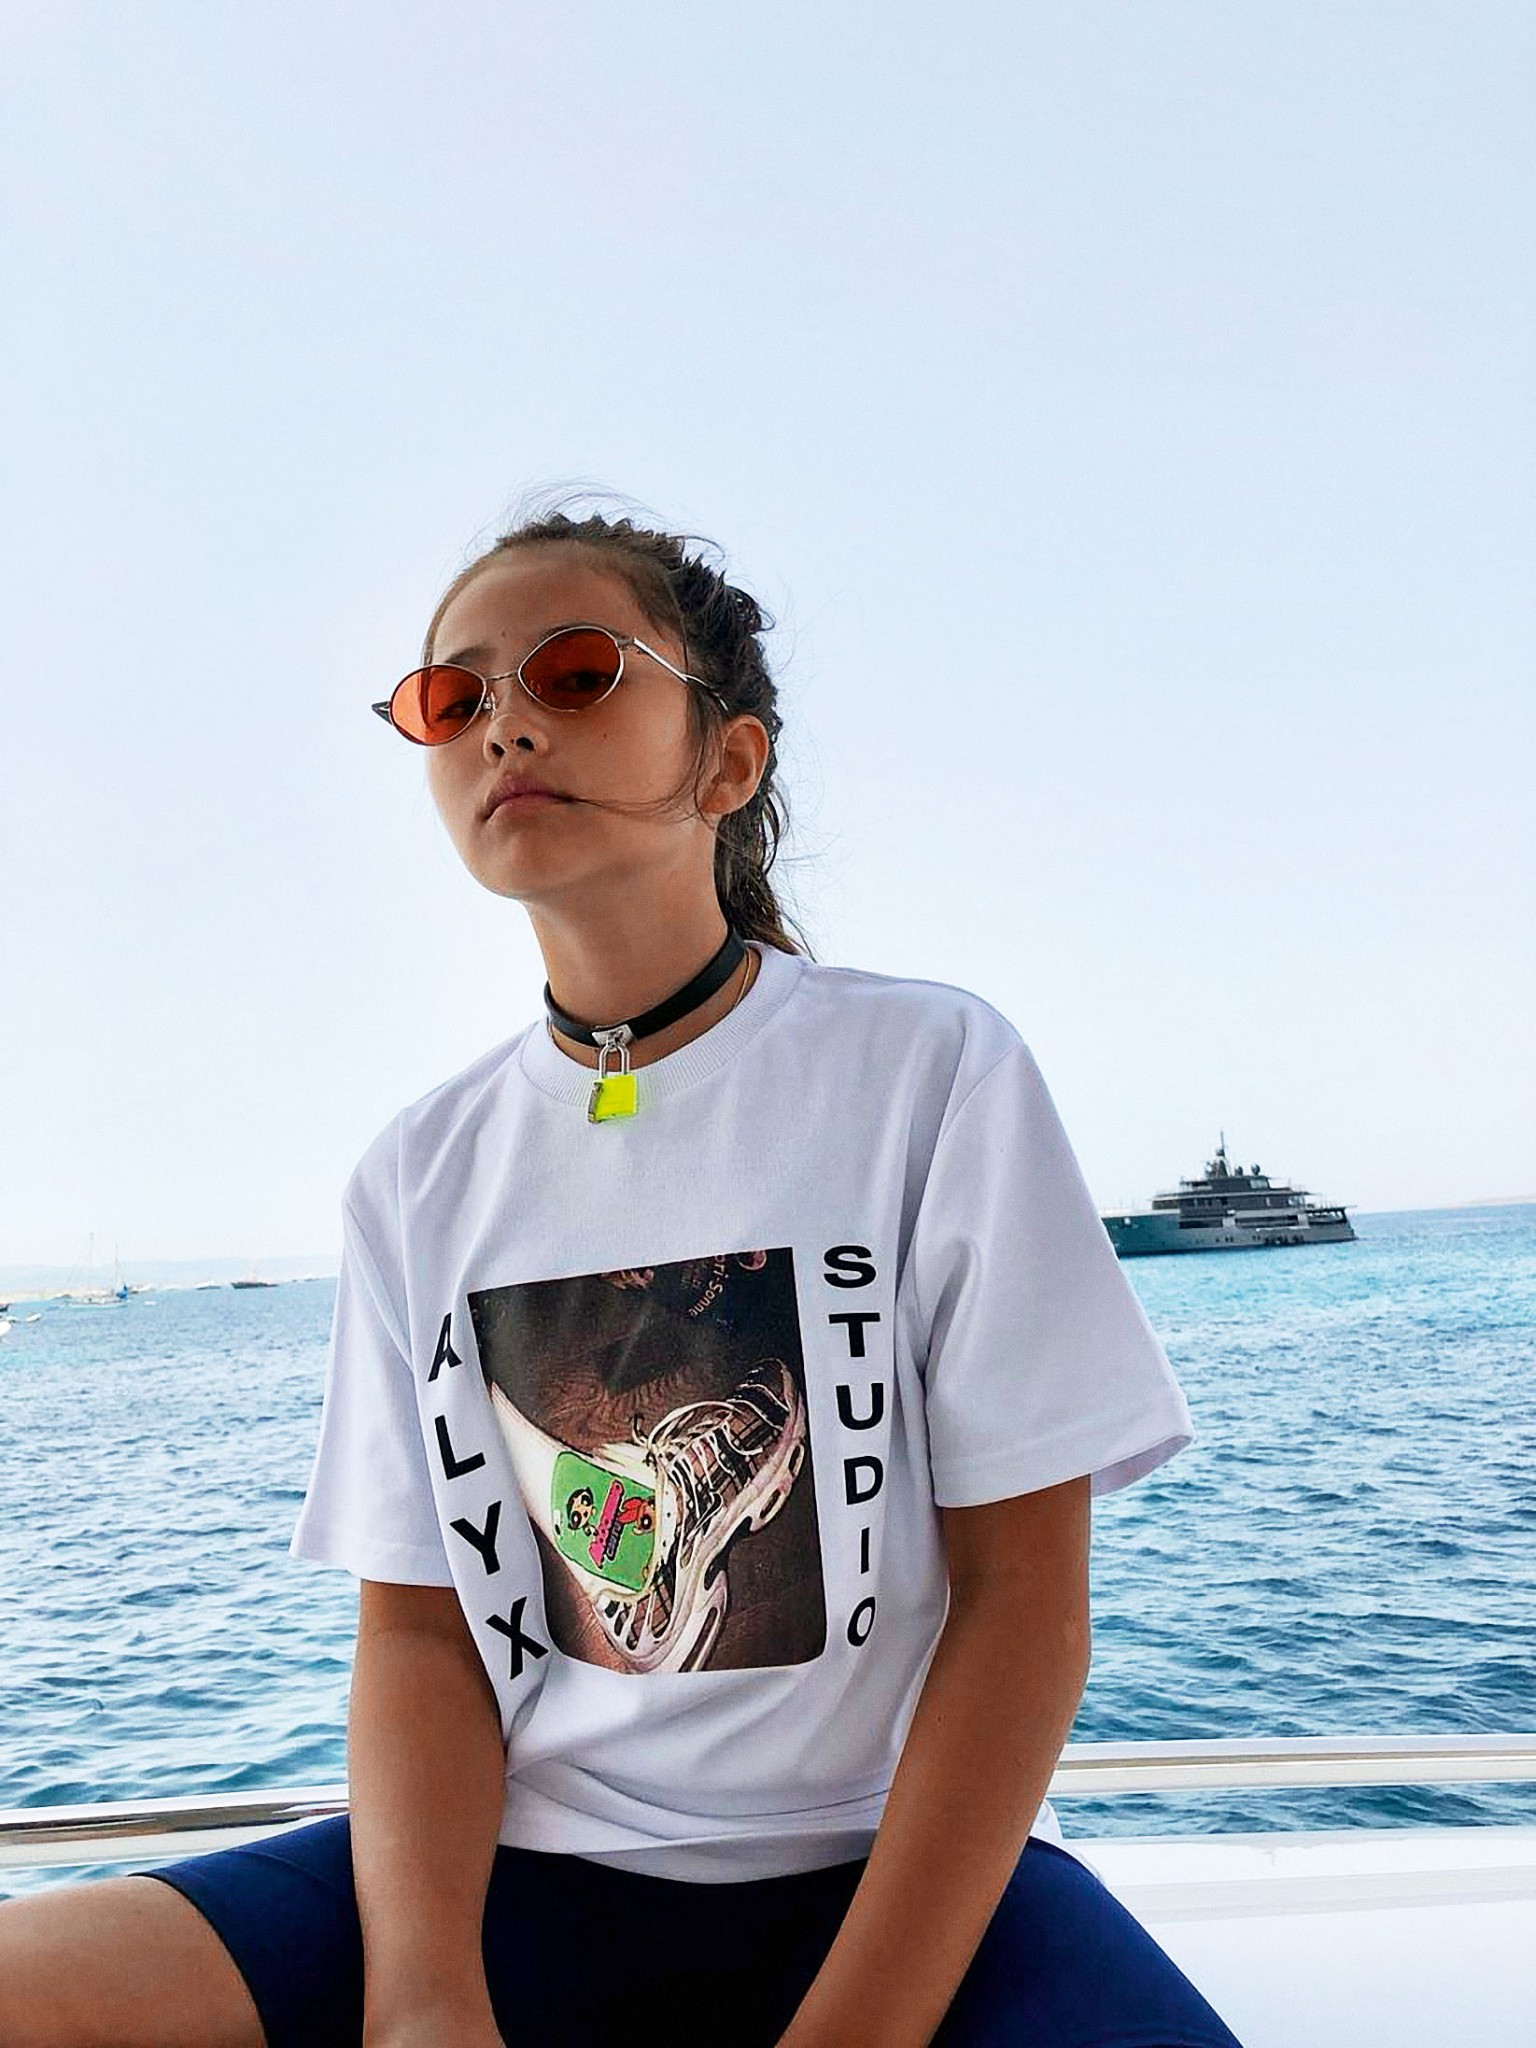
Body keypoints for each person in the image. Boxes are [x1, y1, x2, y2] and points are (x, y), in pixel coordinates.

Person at [0, 509, 1243, 2047]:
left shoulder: (931, 1074)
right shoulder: (417, 1174)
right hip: (531, 1873)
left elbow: (1024, 1604)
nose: (505, 722)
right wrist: (424, 2000)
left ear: (727, 764)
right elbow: (421, 1638)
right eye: (452, 697)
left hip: (899, 1881)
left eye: (576, 671)